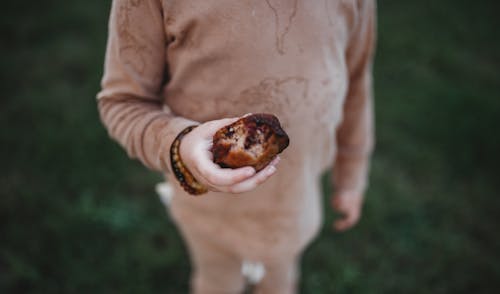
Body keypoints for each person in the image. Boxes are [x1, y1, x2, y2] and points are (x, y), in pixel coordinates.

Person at [97, 0, 376, 293]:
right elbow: (124, 103)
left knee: (279, 284)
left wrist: (351, 173)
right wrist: (180, 143)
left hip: (293, 204)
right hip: (209, 216)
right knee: (217, 285)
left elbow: (355, 80)